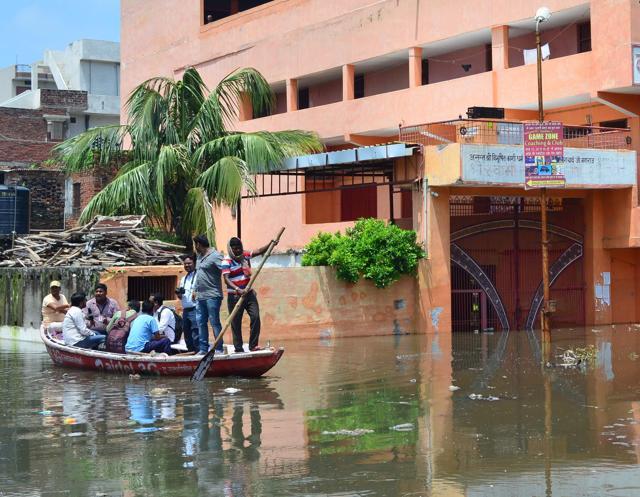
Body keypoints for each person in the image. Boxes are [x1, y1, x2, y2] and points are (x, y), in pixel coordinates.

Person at [221, 237, 275, 353]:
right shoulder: (226, 261)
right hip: (235, 296)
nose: (238, 251)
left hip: (249, 294)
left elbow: (259, 251)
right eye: (235, 249)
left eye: (239, 248)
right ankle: (238, 348)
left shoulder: (244, 256)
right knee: (236, 323)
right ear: (230, 249)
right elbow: (226, 279)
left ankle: (253, 345)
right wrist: (237, 289)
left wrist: (271, 243)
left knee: (255, 317)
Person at [193, 234, 224, 355]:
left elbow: (225, 268)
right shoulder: (199, 257)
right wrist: (195, 289)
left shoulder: (215, 256)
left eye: (195, 244)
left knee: (214, 322)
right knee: (201, 322)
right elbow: (199, 274)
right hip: (200, 296)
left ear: (199, 244)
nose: (195, 247)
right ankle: (203, 349)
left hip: (213, 295)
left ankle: (219, 348)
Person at [176, 255, 199, 352]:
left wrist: (197, 292)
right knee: (187, 332)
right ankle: (190, 351)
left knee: (196, 332)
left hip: (195, 308)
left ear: (194, 263)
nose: (187, 265)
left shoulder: (198, 275)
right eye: (185, 264)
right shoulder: (183, 279)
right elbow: (181, 297)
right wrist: (178, 294)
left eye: (189, 263)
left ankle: (199, 351)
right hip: (186, 309)